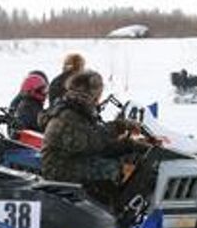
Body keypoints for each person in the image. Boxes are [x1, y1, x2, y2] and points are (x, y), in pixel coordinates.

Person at [41, 70, 147, 208]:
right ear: (93, 93)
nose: (100, 97)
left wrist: (129, 141)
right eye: (99, 93)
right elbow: (96, 142)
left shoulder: (79, 108)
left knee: (123, 159)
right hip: (59, 169)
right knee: (113, 168)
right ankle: (113, 213)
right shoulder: (68, 115)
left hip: (73, 159)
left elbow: (98, 135)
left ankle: (110, 206)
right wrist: (124, 135)